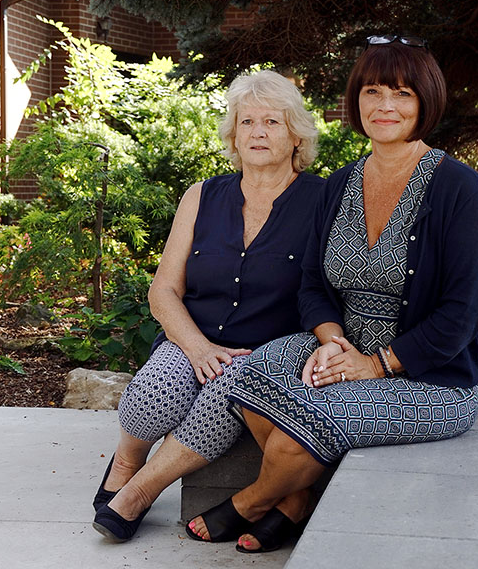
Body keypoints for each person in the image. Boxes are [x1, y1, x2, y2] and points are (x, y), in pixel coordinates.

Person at [185, 35, 478, 553]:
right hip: (339, 352)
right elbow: (313, 283)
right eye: (373, 91)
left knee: (298, 428)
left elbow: (462, 314)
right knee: (251, 378)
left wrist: (377, 365)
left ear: (426, 102)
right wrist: (330, 341)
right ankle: (295, 503)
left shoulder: (456, 186)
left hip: (429, 377)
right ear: (356, 101)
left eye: (402, 93)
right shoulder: (342, 183)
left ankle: (252, 503)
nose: (385, 106)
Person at [91, 70, 325, 542]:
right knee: (157, 390)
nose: (258, 132)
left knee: (226, 394)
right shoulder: (201, 195)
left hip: (269, 351)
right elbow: (163, 291)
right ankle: (126, 459)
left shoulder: (323, 200)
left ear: (296, 134)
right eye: (247, 121)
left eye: (272, 122)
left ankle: (139, 492)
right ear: (233, 134)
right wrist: (196, 347)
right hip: (193, 335)